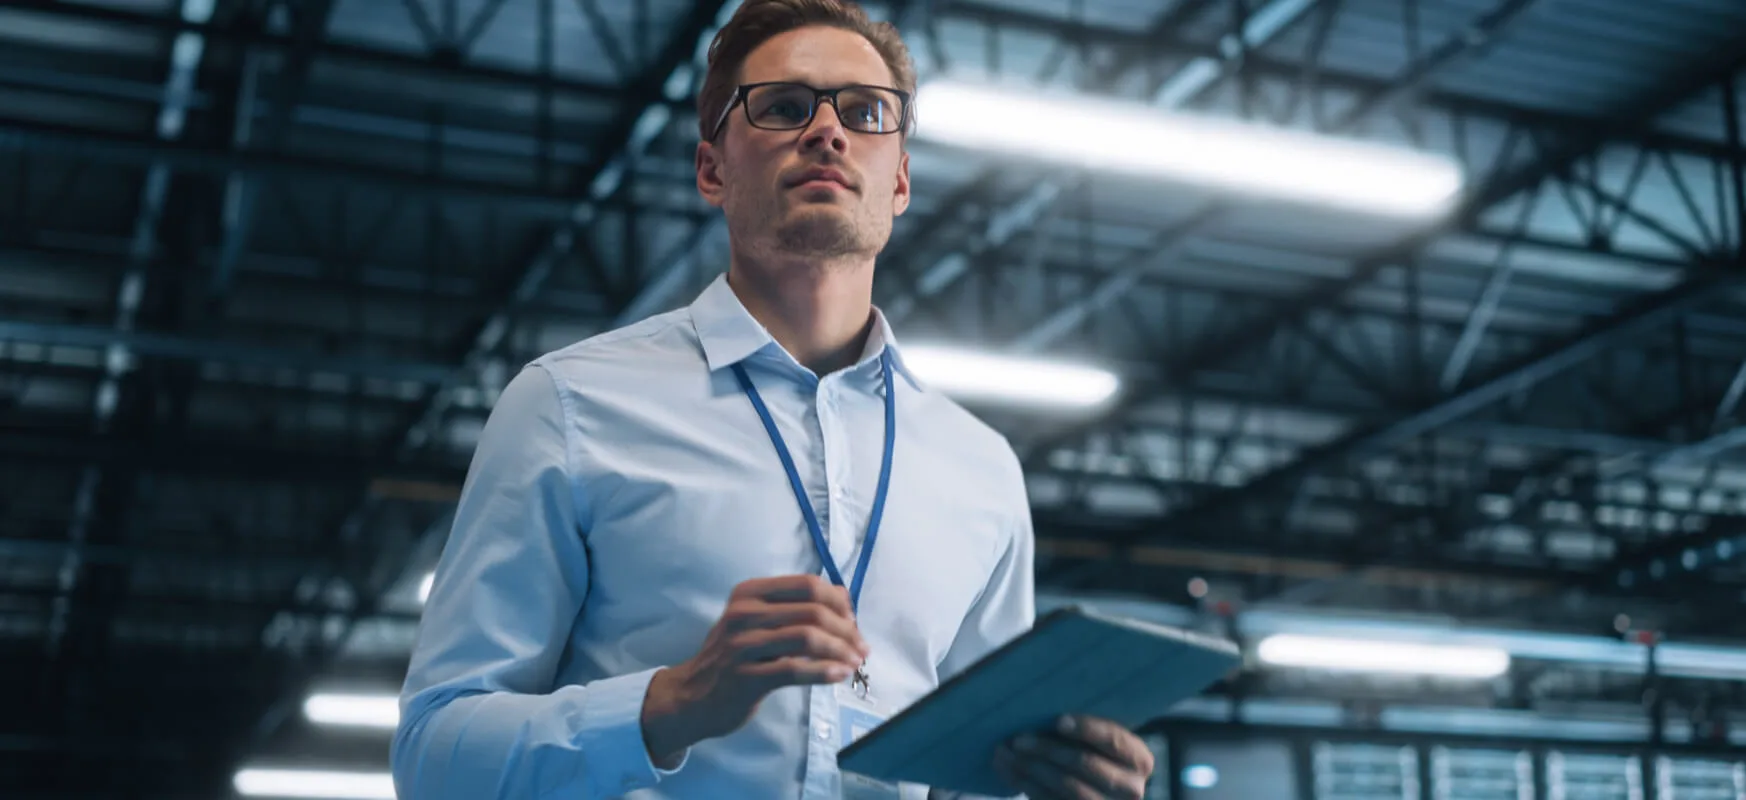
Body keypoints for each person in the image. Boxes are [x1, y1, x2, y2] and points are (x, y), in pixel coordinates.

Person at [390, 1, 1156, 798]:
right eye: (785, 106)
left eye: (864, 112)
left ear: (898, 179)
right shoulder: (567, 407)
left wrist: (1058, 784)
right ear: (711, 168)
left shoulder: (981, 469)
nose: (827, 131)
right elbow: (433, 753)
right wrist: (670, 705)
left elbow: (974, 775)